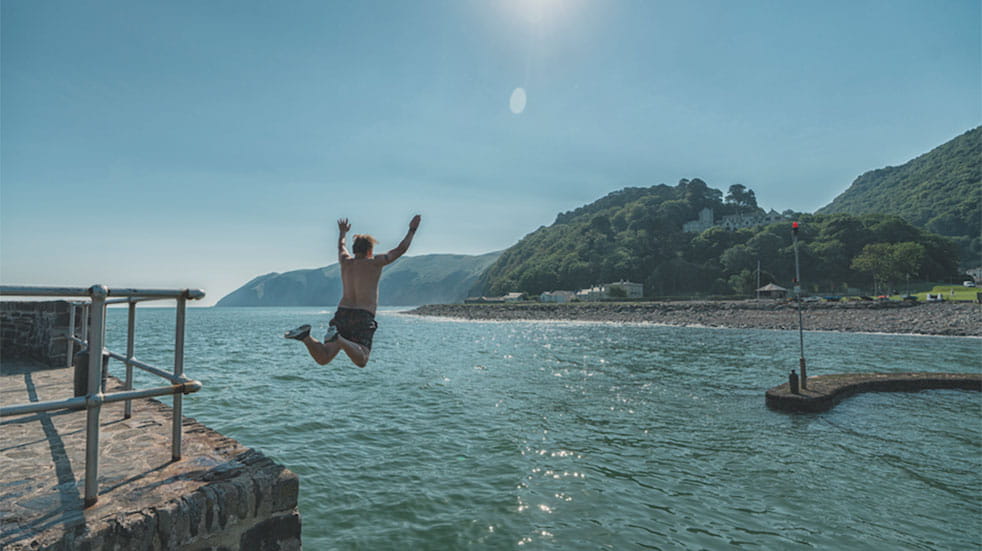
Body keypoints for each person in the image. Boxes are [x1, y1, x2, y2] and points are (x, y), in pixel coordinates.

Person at [285, 214, 421, 367]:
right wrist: (412, 230)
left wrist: (342, 233)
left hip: (342, 313)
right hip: (363, 315)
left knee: (324, 358)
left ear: (355, 249)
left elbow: (341, 247)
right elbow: (400, 249)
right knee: (362, 360)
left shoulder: (345, 261)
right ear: (370, 250)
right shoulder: (375, 263)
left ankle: (306, 337)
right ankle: (339, 339)